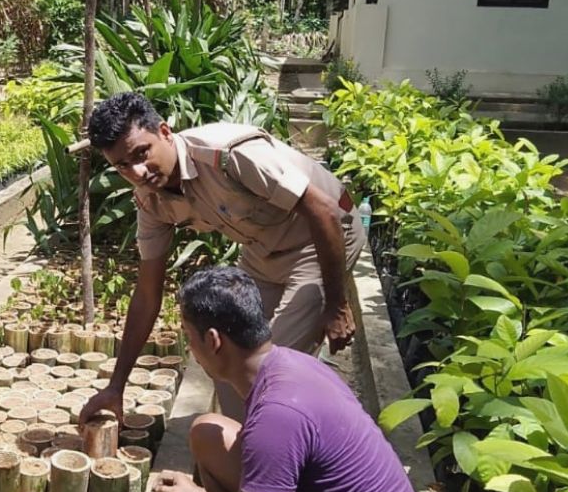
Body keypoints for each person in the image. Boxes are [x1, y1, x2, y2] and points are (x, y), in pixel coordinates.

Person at [79, 91, 365, 423]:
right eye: (123, 166)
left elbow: (325, 211)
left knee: (267, 367)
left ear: (165, 133)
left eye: (142, 153)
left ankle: (294, 450)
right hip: (261, 252)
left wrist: (336, 305)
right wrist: (117, 387)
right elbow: (146, 293)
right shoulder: (151, 201)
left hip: (319, 240)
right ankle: (244, 450)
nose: (139, 172)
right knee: (224, 354)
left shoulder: (228, 154)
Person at [153, 266, 422, 492]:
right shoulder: (293, 364)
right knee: (208, 433)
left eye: (189, 336)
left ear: (213, 340)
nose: (189, 348)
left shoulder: (279, 415)